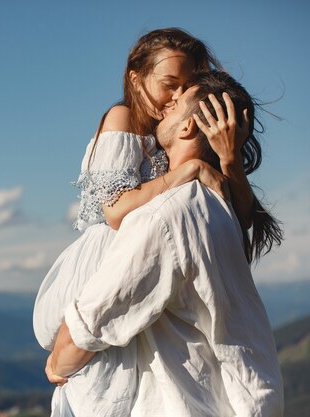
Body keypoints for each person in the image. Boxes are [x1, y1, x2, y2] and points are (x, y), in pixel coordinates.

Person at [33, 28, 259, 416]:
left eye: (186, 86)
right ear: (136, 78)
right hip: (107, 259)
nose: (175, 97)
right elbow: (117, 211)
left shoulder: (167, 141)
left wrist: (229, 159)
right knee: (104, 374)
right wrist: (185, 171)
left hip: (139, 261)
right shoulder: (122, 118)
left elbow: (241, 222)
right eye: (169, 84)